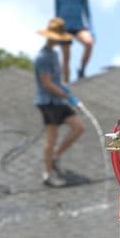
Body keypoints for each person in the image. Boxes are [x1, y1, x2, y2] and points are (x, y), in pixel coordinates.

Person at [34, 16, 85, 186]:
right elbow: (47, 83)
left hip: (58, 100)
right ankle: (47, 175)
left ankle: (55, 157)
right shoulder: (42, 57)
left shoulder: (54, 55)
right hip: (48, 102)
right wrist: (66, 96)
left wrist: (65, 88)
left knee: (78, 127)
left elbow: (55, 80)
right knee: (51, 138)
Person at [53, 0, 94, 81]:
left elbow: (87, 10)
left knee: (89, 43)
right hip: (64, 28)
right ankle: (67, 84)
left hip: (78, 26)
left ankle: (81, 69)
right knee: (66, 57)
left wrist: (90, 28)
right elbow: (57, 13)